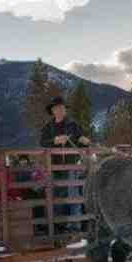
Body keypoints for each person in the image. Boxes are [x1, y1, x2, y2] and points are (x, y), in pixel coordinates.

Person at [40, 96, 91, 232]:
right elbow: (42, 143)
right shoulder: (47, 127)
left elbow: (81, 140)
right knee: (55, 195)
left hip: (71, 164)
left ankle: (75, 225)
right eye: (57, 108)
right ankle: (57, 224)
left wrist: (84, 141)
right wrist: (55, 141)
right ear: (52, 111)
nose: (60, 110)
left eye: (62, 108)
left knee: (73, 194)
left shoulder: (73, 125)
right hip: (53, 165)